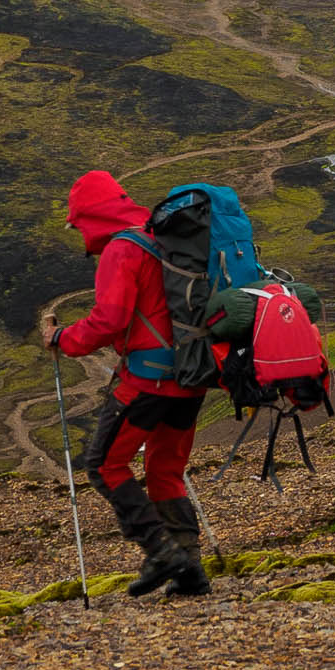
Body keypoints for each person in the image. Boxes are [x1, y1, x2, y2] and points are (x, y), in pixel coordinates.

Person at [40, 170, 211, 596]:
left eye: (77, 223)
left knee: (104, 464)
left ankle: (161, 551)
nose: (78, 231)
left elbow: (109, 320)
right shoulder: (159, 238)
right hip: (190, 378)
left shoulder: (122, 250)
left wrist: (63, 338)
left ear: (91, 216)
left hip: (147, 383)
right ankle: (190, 568)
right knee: (165, 470)